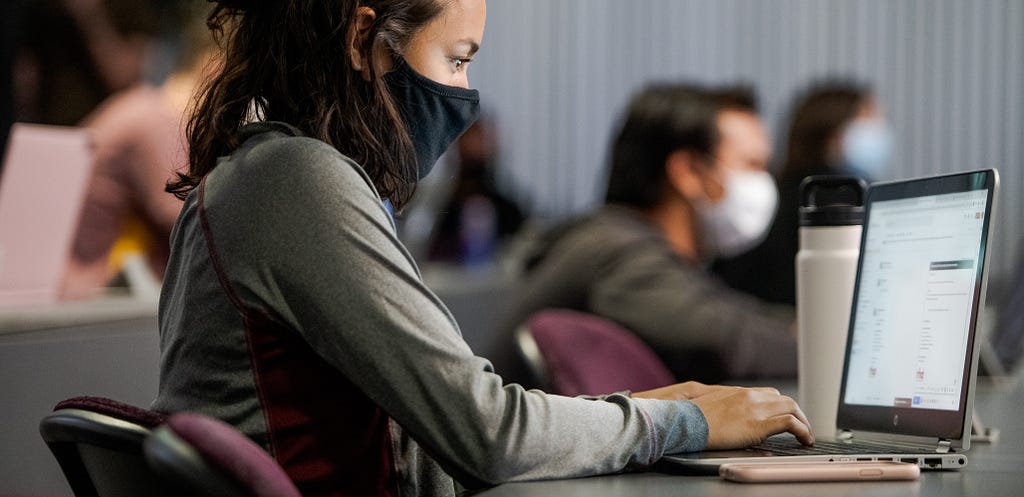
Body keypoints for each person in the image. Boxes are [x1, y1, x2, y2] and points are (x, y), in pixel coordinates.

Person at [152, 2, 813, 496]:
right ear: (363, 39)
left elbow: (441, 432)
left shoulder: (254, 174)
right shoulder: (298, 179)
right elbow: (484, 430)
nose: (466, 95)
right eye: (457, 58)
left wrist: (644, 412)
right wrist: (680, 423)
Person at [493, 83, 797, 387]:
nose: (764, 181)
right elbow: (723, 342)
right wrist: (822, 348)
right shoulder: (617, 251)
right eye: (752, 165)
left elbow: (731, 312)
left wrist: (801, 327)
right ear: (688, 171)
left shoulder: (628, 242)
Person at [61, 2, 219, 298]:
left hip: (72, 286)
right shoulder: (154, 120)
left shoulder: (135, 108)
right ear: (215, 67)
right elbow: (192, 223)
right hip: (91, 297)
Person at [713, 81, 891, 306]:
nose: (879, 127)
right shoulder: (839, 200)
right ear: (834, 129)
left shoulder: (782, 187)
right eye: (868, 117)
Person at [425, 115, 525, 264]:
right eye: (467, 138)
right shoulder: (436, 208)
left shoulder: (509, 210)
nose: (472, 146)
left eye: (479, 138)